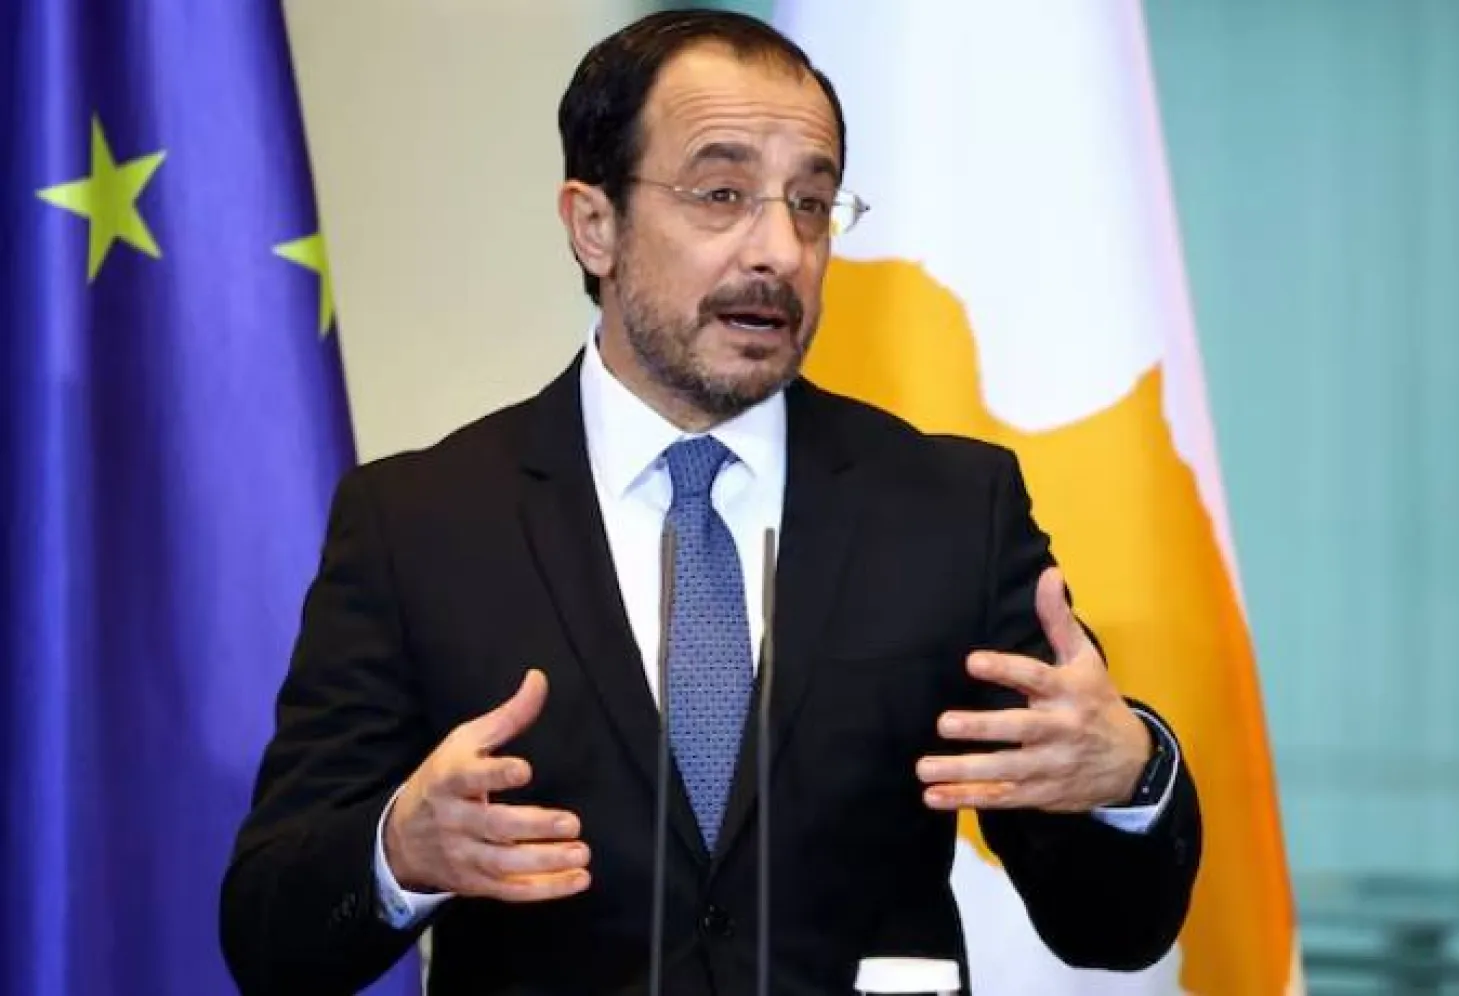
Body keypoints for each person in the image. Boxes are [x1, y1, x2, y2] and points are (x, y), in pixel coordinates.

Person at [219, 9, 1202, 995]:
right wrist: (399, 852)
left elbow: (1111, 930)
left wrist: (1131, 775)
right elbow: (271, 938)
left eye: (810, 203)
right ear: (594, 225)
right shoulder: (419, 523)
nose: (779, 249)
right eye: (722, 194)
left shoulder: (950, 512)